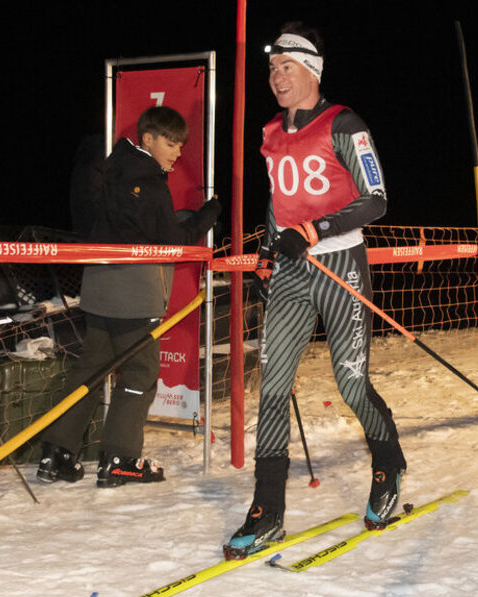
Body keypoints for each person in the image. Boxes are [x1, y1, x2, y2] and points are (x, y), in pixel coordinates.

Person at [225, 22, 407, 558]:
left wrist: (315, 231)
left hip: (340, 262)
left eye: (286, 67)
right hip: (290, 272)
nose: (276, 78)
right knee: (273, 385)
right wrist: (264, 254)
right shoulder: (271, 132)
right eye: (272, 69)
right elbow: (278, 200)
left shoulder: (343, 123)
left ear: (311, 71)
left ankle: (388, 462)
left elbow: (375, 199)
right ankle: (267, 510)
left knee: (350, 384)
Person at [37, 106, 221, 487]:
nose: (177, 152)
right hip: (134, 294)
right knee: (139, 372)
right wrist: (208, 215)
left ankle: (57, 453)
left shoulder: (107, 171)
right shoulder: (150, 184)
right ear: (148, 138)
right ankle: (120, 458)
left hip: (98, 288)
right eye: (171, 143)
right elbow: (174, 243)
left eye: (181, 146)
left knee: (90, 371)